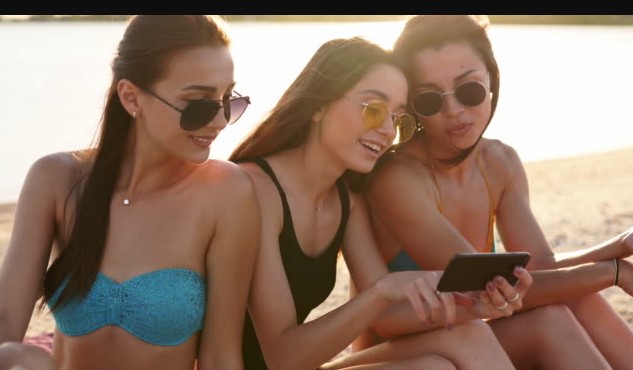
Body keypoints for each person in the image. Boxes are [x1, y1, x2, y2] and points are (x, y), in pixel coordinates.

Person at [229, 36, 533, 370]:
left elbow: (387, 313)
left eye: (397, 117)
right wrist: (382, 291)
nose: (388, 130)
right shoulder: (254, 189)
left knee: (470, 334)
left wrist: (475, 308)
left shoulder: (347, 198)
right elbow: (282, 357)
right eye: (373, 109)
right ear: (318, 104)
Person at [361, 14, 633, 369]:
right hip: (409, 350)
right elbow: (481, 280)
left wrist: (620, 245)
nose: (455, 110)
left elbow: (539, 270)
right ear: (412, 106)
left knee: (581, 299)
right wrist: (614, 272)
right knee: (550, 319)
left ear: (492, 79)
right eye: (430, 100)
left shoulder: (500, 161)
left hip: (473, 333)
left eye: (469, 90)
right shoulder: (397, 177)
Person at [0, 15, 260, 370]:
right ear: (131, 97)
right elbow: (6, 322)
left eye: (228, 99)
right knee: (19, 357)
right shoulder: (56, 180)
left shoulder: (226, 193)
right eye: (199, 103)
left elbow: (220, 355)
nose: (218, 121)